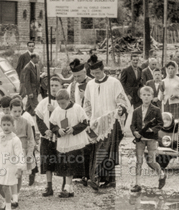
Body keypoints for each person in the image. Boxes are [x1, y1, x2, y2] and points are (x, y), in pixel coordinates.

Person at [83, 57, 130, 190]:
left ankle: (96, 178)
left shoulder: (114, 82)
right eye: (93, 73)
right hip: (95, 122)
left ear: (103, 70)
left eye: (98, 72)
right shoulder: (90, 84)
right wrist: (87, 119)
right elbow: (86, 104)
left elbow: (121, 99)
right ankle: (109, 180)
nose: (96, 75)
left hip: (111, 121)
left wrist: (121, 108)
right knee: (97, 149)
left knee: (106, 150)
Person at [49, 89, 88, 199]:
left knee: (71, 164)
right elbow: (52, 125)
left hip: (74, 141)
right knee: (65, 164)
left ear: (69, 100)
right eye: (59, 104)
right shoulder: (57, 110)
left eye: (63, 103)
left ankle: (67, 187)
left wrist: (73, 129)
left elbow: (84, 123)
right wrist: (58, 131)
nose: (61, 106)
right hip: (63, 142)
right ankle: (69, 189)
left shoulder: (77, 109)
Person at [130, 86, 166, 192]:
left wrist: (152, 130)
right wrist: (135, 132)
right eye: (144, 95)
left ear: (152, 96)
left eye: (148, 95)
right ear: (140, 96)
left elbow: (160, 124)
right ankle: (137, 184)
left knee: (151, 161)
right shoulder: (136, 111)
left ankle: (162, 175)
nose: (146, 97)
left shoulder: (156, 110)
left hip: (151, 139)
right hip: (140, 139)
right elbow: (132, 125)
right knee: (139, 161)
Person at [36, 76, 63, 197]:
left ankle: (64, 185)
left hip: (60, 138)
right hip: (47, 137)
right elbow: (39, 118)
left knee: (62, 161)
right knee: (47, 161)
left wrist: (56, 109)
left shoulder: (65, 103)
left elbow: (66, 119)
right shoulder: (43, 103)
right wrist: (45, 131)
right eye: (51, 85)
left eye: (56, 85)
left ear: (61, 87)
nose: (53, 88)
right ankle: (49, 185)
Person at [0, 114, 23, 210]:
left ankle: (9, 209)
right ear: (1, 126)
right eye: (4, 125)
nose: (6, 127)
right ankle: (8, 200)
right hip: (0, 165)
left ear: (12, 125)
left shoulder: (15, 139)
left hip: (10, 166)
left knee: (6, 187)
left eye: (8, 125)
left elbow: (19, 154)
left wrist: (19, 167)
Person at [9, 98, 35, 203]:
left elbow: (31, 139)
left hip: (22, 150)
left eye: (19, 111)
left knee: (18, 173)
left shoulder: (26, 122)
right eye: (14, 111)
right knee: (10, 172)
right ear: (10, 110)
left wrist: (29, 153)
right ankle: (10, 192)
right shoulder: (7, 121)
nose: (17, 113)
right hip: (10, 151)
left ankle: (17, 194)